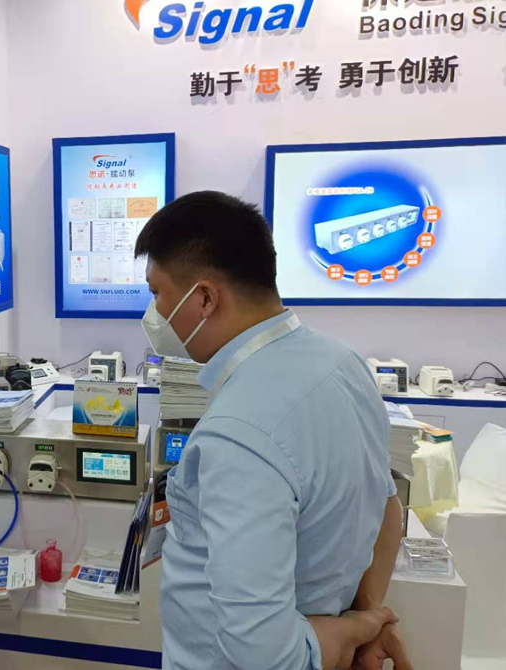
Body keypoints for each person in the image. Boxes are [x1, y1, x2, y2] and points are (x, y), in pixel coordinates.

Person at [137, 192, 411, 670]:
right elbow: (386, 507)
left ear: (204, 298)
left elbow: (264, 654)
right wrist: (363, 615)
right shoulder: (342, 363)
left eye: (157, 293)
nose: (154, 314)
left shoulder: (237, 434)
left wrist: (357, 628)